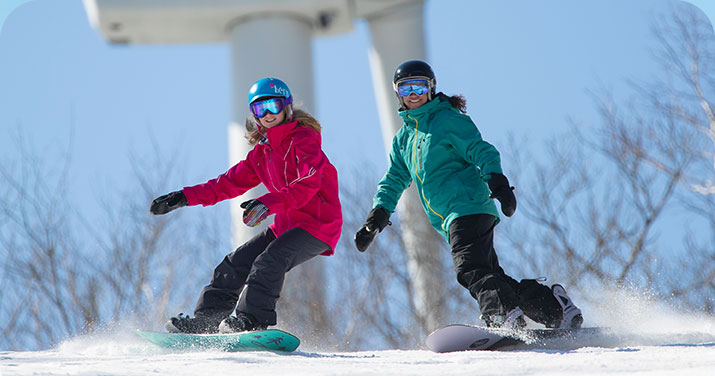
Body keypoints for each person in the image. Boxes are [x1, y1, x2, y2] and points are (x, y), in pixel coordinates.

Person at [354, 60, 582, 330]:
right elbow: (393, 179)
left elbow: (480, 149)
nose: (413, 94)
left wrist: (497, 181)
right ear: (397, 93)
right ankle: (556, 310)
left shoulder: (447, 120)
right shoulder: (403, 139)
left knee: (470, 269)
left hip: (466, 208)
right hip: (453, 217)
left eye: (419, 86)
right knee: (492, 276)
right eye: (406, 88)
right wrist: (377, 217)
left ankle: (501, 315)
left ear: (431, 88)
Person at [150, 77, 342, 334]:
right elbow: (225, 184)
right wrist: (184, 197)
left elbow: (307, 183)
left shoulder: (304, 141)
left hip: (318, 225)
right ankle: (207, 321)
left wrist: (267, 202)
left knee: (270, 260)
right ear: (254, 114)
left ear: (286, 107)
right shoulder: (262, 154)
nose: (268, 114)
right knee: (235, 263)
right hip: (285, 226)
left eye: (273, 106)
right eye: (261, 109)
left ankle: (252, 320)